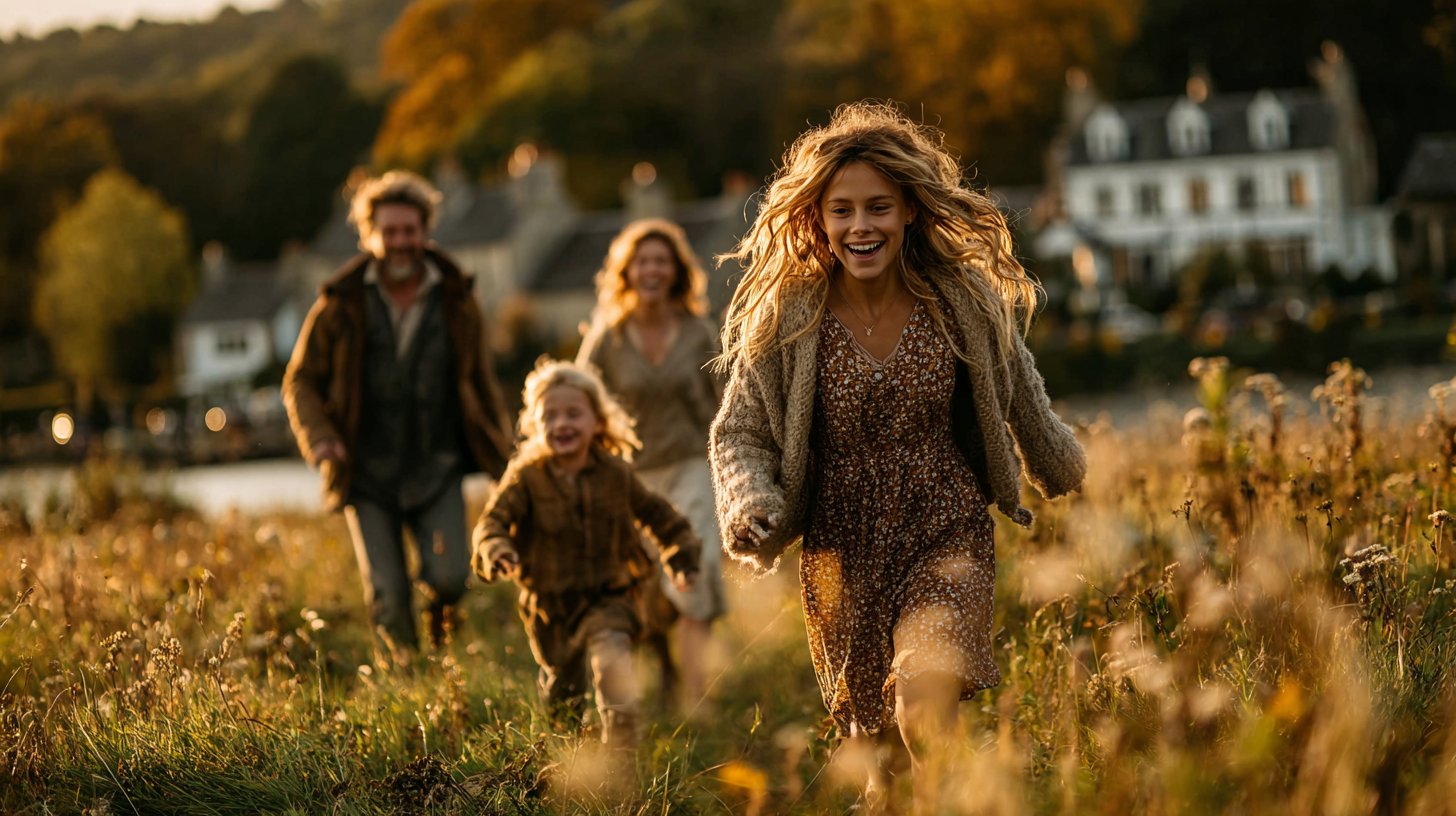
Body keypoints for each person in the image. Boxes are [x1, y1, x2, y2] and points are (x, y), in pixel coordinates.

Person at [708, 102, 1086, 808]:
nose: (861, 226)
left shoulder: (960, 299)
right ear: (816, 218)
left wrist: (1058, 461)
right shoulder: (790, 316)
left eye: (878, 207)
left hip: (946, 529)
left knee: (924, 708)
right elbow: (739, 432)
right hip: (841, 550)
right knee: (877, 753)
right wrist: (751, 502)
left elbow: (1018, 389)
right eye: (842, 210)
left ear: (910, 209)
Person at [282, 170, 514, 662]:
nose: (401, 242)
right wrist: (320, 438)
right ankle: (408, 684)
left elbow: (480, 382)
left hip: (439, 466)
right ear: (370, 235)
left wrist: (506, 456)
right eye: (389, 232)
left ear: (425, 231)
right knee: (386, 594)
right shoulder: (339, 304)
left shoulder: (457, 298)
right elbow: (299, 379)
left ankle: (440, 644)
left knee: (452, 578)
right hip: (366, 475)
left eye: (410, 231)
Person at [471, 359, 699, 754]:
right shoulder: (526, 477)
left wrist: (680, 555)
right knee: (564, 698)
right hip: (552, 608)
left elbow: (659, 515)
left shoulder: (615, 473)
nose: (562, 424)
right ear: (536, 425)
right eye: (551, 415)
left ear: (597, 421)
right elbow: (492, 523)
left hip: (610, 595)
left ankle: (620, 762)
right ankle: (569, 760)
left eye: (574, 414)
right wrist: (497, 552)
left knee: (614, 666)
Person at [576, 218, 726, 712]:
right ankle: (665, 669)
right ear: (627, 271)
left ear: (677, 271)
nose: (652, 269)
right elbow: (579, 404)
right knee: (644, 585)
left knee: (694, 570)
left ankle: (696, 698)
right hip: (628, 478)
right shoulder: (607, 339)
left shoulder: (700, 333)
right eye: (643, 261)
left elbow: (726, 407)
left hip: (690, 468)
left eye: (662, 260)